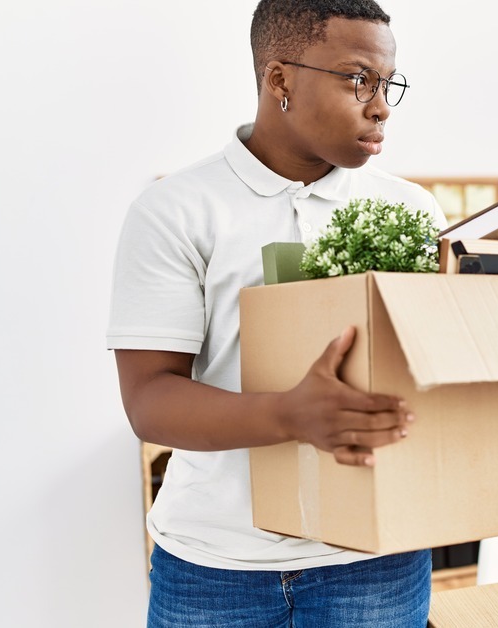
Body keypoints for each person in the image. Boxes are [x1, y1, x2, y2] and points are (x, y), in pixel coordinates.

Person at [107, 1, 445, 625]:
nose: (381, 105)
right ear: (279, 79)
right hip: (214, 568)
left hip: (374, 563)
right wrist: (289, 413)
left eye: (388, 83)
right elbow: (149, 400)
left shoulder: (413, 211)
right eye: (357, 79)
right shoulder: (176, 210)